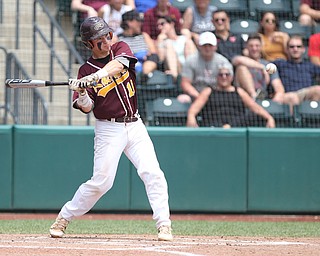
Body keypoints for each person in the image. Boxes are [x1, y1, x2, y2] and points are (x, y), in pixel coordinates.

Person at [49, 16, 173, 242]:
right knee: (102, 182)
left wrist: (95, 77)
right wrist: (83, 91)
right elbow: (87, 108)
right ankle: (64, 217)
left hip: (135, 125)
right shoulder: (84, 70)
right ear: (89, 44)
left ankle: (164, 225)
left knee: (153, 173)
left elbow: (118, 66)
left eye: (107, 35)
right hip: (109, 129)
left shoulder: (120, 48)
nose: (106, 41)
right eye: (99, 39)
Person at [186, 64, 276, 128]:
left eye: (227, 74)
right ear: (216, 77)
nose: (224, 77)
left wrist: (269, 118)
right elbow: (195, 108)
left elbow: (255, 107)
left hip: (236, 126)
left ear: (231, 77)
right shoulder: (208, 91)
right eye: (221, 75)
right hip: (214, 126)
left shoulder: (239, 91)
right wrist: (191, 116)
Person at [180, 31, 231, 102]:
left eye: (210, 45)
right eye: (205, 45)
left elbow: (227, 83)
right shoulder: (190, 60)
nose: (207, 48)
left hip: (217, 95)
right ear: (199, 46)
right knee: (182, 99)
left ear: (215, 47)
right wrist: (199, 97)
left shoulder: (223, 62)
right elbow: (185, 83)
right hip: (195, 95)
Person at [232, 33, 285, 102]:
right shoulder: (242, 61)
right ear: (246, 47)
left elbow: (278, 86)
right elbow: (237, 59)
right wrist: (262, 67)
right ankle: (254, 96)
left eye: (257, 46)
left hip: (263, 97)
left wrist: (275, 101)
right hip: (243, 98)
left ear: (261, 47)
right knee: (241, 68)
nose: (254, 48)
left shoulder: (268, 65)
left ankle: (257, 98)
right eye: (251, 46)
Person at [273, 35, 320, 105]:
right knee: (292, 97)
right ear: (287, 50)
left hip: (305, 95)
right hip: (287, 96)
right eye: (292, 47)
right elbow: (267, 66)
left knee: (318, 90)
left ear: (303, 49)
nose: (295, 49)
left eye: (298, 46)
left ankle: (312, 113)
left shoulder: (310, 65)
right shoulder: (280, 63)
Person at [118, 10, 160, 76]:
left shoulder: (144, 35)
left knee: (152, 59)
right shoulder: (118, 38)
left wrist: (145, 54)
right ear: (129, 22)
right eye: (138, 21)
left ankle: (143, 76)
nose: (140, 23)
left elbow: (153, 52)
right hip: (128, 65)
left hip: (145, 63)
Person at [156, 15, 197, 80]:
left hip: (187, 66)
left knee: (189, 42)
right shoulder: (163, 42)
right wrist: (160, 40)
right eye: (158, 25)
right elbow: (161, 59)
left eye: (162, 24)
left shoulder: (183, 38)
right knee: (168, 43)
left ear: (171, 24)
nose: (160, 27)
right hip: (176, 69)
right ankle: (175, 78)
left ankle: (193, 73)